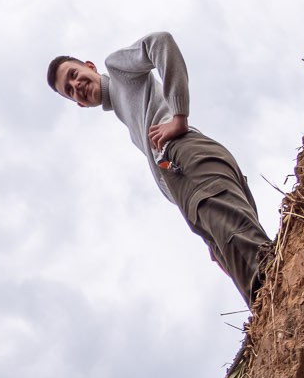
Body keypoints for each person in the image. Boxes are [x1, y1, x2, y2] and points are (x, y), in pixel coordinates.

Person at [47, 35, 273, 305]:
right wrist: (208, 235)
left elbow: (161, 43)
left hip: (186, 156)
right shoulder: (129, 114)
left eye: (74, 75)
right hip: (185, 177)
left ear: (90, 66)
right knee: (248, 275)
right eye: (70, 90)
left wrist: (179, 117)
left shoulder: (118, 69)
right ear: (80, 105)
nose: (76, 86)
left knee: (261, 271)